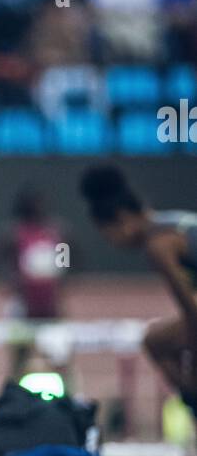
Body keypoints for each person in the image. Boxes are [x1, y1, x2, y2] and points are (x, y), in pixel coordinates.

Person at [80, 164, 197, 418]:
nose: (112, 244)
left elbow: (193, 311)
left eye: (108, 236)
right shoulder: (173, 222)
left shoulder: (159, 246)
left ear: (123, 220)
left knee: (159, 342)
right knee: (158, 341)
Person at [0, 187, 74, 381]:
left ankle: (67, 401)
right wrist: (12, 280)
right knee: (20, 362)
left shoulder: (57, 232)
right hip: (22, 307)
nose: (38, 208)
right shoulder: (14, 233)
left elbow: (70, 258)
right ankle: (17, 397)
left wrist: (60, 278)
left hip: (51, 308)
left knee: (60, 360)